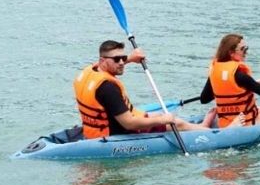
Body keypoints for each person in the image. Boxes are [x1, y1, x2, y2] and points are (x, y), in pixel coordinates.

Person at [73, 40, 206, 138]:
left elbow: (111, 65)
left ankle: (201, 127)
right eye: (116, 59)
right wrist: (164, 120)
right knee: (177, 123)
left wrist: (130, 59)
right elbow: (129, 124)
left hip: (96, 130)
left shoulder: (90, 71)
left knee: (158, 114)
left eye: (123, 58)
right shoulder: (108, 88)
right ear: (102, 61)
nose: (121, 62)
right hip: (116, 132)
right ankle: (210, 133)